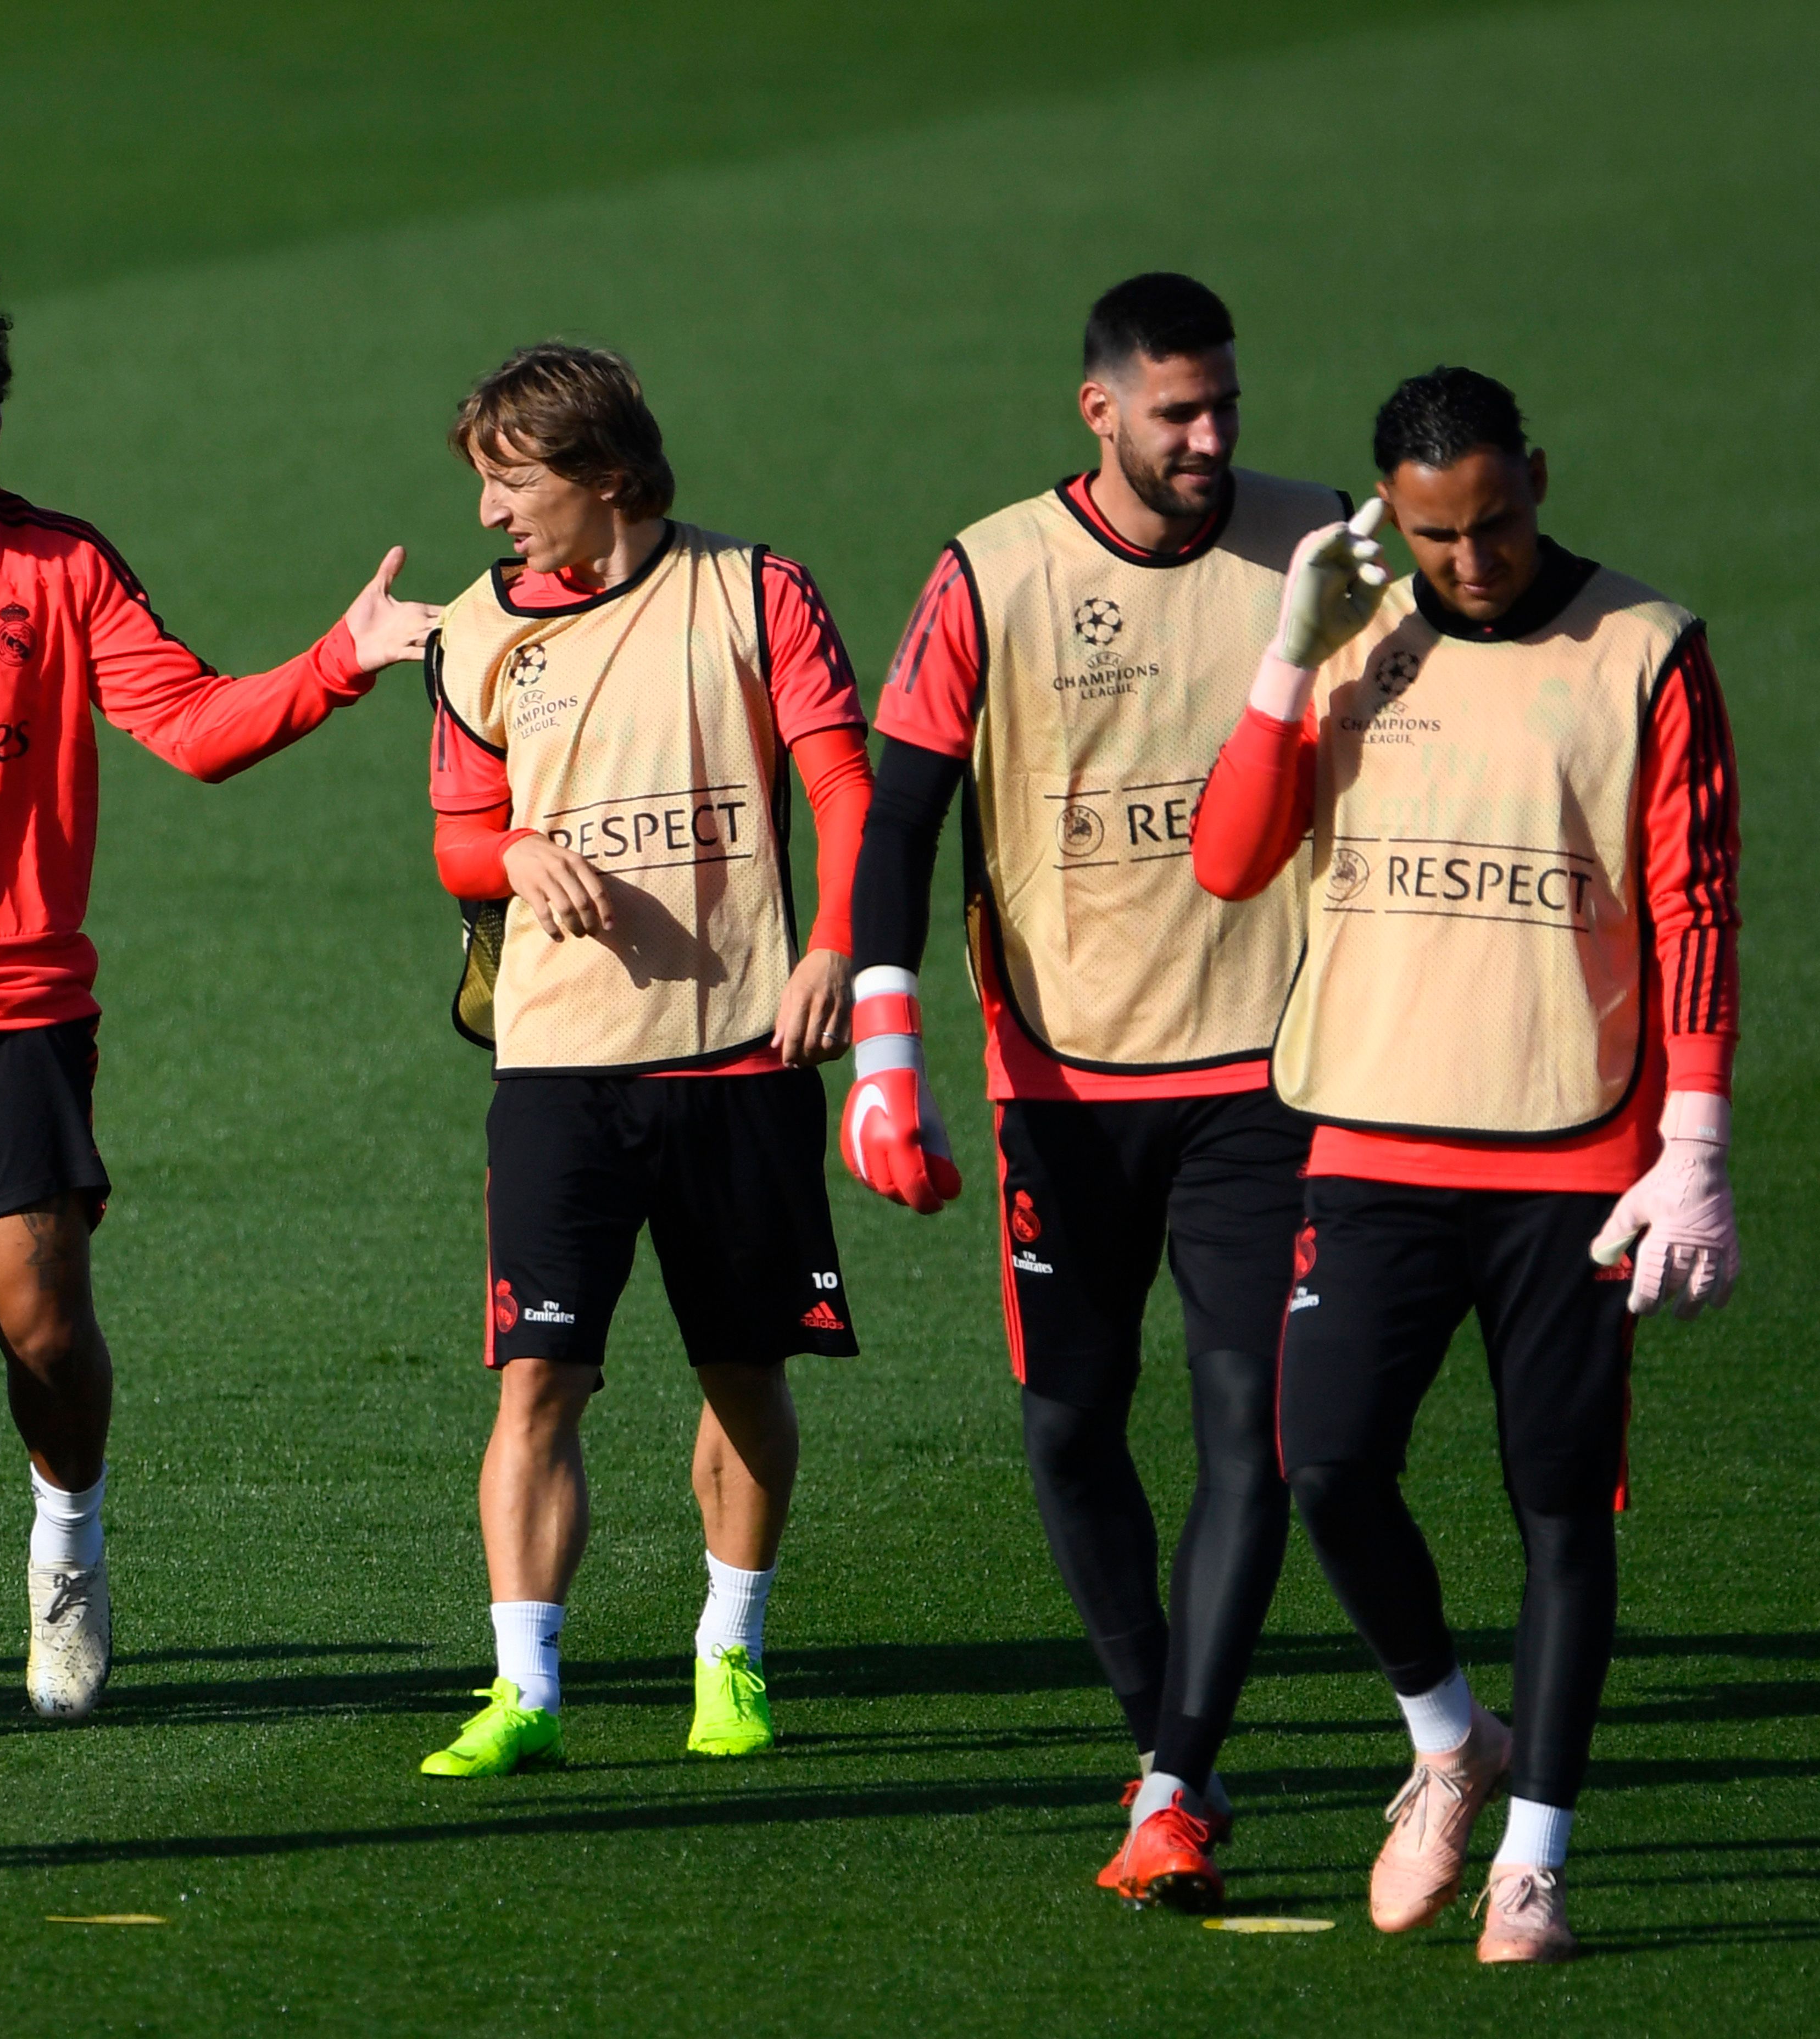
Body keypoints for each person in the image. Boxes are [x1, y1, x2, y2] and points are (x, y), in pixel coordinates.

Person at [0, 246, 437, 1745]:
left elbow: (186, 726)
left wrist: (341, 659)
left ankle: (69, 1559)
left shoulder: (56, 568)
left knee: (45, 1330)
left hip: (13, 1021)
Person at [1190, 366, 1741, 1963]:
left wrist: (1692, 1146)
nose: (1475, 561)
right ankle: (1449, 1738)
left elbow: (1696, 904)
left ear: (1538, 481)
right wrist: (1293, 656)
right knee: (1330, 1469)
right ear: (1393, 515)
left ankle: (1536, 1865)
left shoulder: (1645, 647)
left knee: (1560, 1510)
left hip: (1576, 1160)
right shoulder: (1356, 641)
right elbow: (1232, 862)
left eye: (1498, 524)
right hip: (1369, 1139)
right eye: (1439, 536)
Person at [839, 274, 1345, 1908]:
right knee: (1068, 1428)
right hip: (1059, 1080)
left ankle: (1177, 1781)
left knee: (1248, 1439)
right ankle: (1164, 1751)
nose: (1208, 442)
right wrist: (887, 1056)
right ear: (1101, 413)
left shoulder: (1315, 541)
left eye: (1225, 412)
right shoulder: (993, 572)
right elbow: (900, 821)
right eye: (1177, 415)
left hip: (1269, 1071)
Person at [417, 341, 873, 1776]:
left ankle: (728, 1652)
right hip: (558, 1065)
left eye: (513, 482)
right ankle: (526, 1691)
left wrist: (831, 951)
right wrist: (511, 852)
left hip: (740, 1050)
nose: (491, 516)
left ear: (606, 476)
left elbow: (844, 785)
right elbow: (453, 841)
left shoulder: (755, 592)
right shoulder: (478, 636)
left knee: (743, 1372)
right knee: (537, 1381)